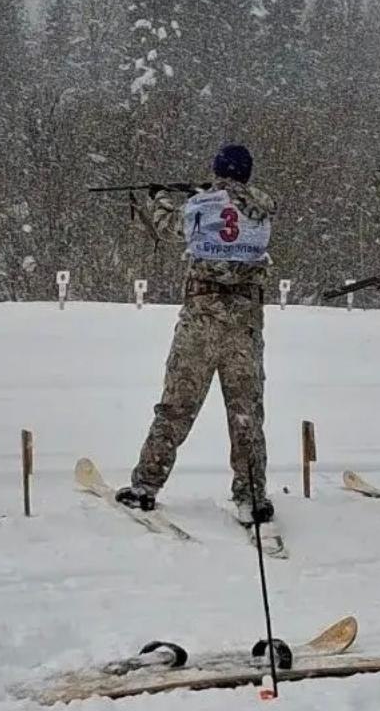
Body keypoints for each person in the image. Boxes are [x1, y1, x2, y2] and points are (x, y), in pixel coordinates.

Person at [114, 145, 278, 524]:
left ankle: (146, 486)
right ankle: (251, 496)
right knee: (245, 413)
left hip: (201, 320)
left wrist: (160, 197)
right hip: (245, 323)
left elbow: (169, 226)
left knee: (176, 405)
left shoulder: (200, 206)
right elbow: (235, 221)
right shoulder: (263, 210)